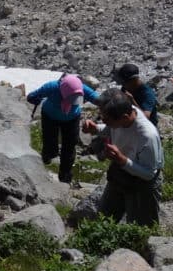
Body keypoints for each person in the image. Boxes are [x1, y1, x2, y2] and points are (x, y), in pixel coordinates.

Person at [82, 96, 163, 225]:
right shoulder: (125, 112)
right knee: (104, 219)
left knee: (141, 228)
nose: (104, 121)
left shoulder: (147, 136)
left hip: (142, 184)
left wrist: (121, 159)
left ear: (125, 118)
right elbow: (111, 128)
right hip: (120, 172)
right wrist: (96, 128)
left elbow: (149, 174)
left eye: (107, 120)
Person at [24, 72, 100, 184]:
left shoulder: (81, 87)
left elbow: (98, 99)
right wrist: (33, 98)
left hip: (70, 118)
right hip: (51, 117)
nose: (74, 101)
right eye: (72, 98)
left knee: (70, 145)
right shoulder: (53, 86)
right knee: (51, 141)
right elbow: (32, 96)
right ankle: (49, 156)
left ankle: (65, 174)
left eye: (77, 98)